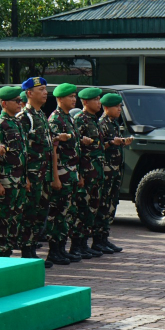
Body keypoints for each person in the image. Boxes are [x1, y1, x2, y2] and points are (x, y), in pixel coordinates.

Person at [18, 77, 61, 268]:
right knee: (29, 213)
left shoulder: (41, 115)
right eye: (41, 89)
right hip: (32, 176)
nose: (45, 93)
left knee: (40, 212)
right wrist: (25, 176)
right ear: (29, 93)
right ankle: (26, 252)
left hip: (43, 175)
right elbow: (22, 150)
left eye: (46, 89)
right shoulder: (24, 118)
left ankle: (33, 249)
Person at [0, 86, 29, 257]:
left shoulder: (17, 122)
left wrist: (25, 178)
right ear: (4, 103)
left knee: (15, 221)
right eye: (17, 101)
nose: (20, 104)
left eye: (21, 100)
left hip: (18, 181)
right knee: (1, 221)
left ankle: (8, 254)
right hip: (5, 181)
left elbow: (22, 153)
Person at [46, 83, 83, 265]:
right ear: (59, 99)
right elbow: (53, 150)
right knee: (57, 213)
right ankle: (54, 250)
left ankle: (61, 248)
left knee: (67, 213)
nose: (73, 99)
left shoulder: (69, 118)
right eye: (70, 96)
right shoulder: (55, 120)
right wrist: (55, 176)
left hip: (72, 173)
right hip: (61, 174)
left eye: (74, 96)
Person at [73, 87, 107, 258]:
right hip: (85, 174)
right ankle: (76, 245)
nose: (99, 103)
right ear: (85, 102)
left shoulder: (94, 120)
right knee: (82, 209)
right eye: (95, 100)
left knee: (92, 209)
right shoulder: (80, 120)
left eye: (99, 99)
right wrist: (79, 173)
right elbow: (75, 150)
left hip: (96, 173)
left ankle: (85, 243)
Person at [98, 93, 130, 253]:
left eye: (120, 107)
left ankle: (105, 238)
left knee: (111, 204)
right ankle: (98, 240)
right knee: (103, 205)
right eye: (116, 107)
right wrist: (111, 142)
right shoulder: (102, 124)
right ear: (106, 108)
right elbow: (97, 146)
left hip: (115, 171)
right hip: (105, 171)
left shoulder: (114, 124)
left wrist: (122, 143)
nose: (119, 110)